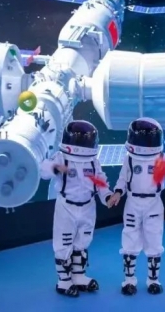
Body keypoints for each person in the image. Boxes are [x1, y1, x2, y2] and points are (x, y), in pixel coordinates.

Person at [107, 117, 165, 296]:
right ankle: (129, 281)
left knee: (154, 240)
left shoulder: (161, 158)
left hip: (153, 204)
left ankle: (153, 281)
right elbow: (123, 179)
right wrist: (117, 193)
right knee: (130, 239)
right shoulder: (129, 159)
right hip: (133, 202)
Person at [40, 120, 113, 298]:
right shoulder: (61, 157)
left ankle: (78, 276)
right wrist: (55, 168)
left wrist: (107, 196)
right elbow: (44, 169)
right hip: (67, 207)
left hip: (88, 206)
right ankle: (64, 281)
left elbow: (100, 182)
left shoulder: (93, 162)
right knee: (64, 243)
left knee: (82, 241)